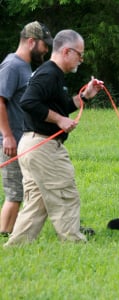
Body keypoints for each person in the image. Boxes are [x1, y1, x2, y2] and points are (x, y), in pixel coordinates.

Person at [4, 29, 104, 247]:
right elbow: (28, 102)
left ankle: (16, 247)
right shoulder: (49, 74)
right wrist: (59, 120)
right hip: (43, 147)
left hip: (32, 145)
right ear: (67, 51)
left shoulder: (53, 75)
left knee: (36, 203)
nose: (81, 60)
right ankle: (74, 244)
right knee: (65, 194)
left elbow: (61, 105)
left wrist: (84, 96)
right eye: (80, 54)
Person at [0, 21, 53, 237]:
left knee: (31, 189)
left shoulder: (24, 66)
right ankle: (4, 233)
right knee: (15, 193)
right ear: (31, 41)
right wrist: (8, 136)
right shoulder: (12, 66)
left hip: (25, 141)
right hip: (11, 143)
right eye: (44, 45)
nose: (46, 50)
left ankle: (19, 231)